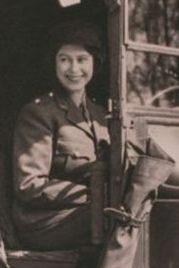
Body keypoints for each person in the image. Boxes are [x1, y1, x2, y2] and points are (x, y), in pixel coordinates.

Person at [12, 22, 109, 250]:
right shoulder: (39, 112)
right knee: (115, 219)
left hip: (85, 213)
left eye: (82, 59)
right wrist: (92, 195)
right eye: (64, 59)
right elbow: (29, 185)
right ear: (54, 63)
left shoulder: (101, 115)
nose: (73, 69)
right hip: (45, 221)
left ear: (94, 62)